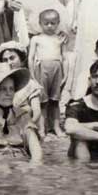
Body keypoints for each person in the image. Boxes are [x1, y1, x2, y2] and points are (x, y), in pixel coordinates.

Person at [28, 9, 66, 137]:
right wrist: (32, 75)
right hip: (42, 69)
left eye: (53, 23)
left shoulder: (59, 39)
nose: (50, 26)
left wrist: (65, 74)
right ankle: (41, 129)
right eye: (46, 23)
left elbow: (64, 57)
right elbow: (31, 57)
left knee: (55, 101)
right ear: (40, 23)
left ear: (58, 23)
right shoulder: (36, 39)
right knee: (43, 101)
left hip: (57, 68)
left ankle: (56, 128)